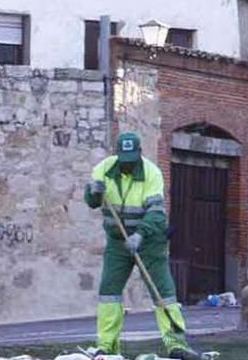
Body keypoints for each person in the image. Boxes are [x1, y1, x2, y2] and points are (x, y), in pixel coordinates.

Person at [83, 132, 200, 360]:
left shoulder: (152, 173)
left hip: (150, 241)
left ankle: (176, 343)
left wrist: (139, 236)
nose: (127, 164)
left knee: (163, 292)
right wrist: (93, 192)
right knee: (109, 292)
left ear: (139, 154)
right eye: (123, 159)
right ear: (118, 155)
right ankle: (106, 346)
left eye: (131, 159)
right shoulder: (103, 169)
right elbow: (92, 203)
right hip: (117, 242)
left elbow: (156, 214)